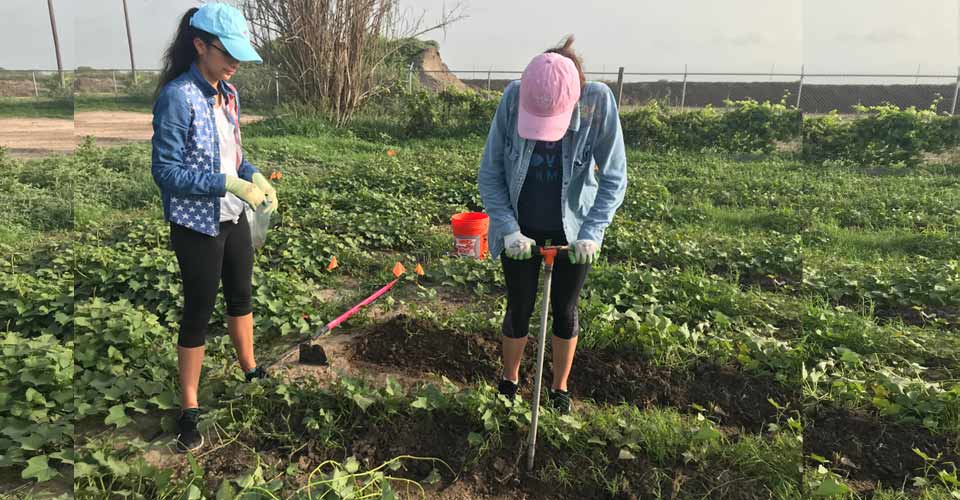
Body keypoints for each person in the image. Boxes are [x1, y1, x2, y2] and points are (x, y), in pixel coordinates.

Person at [151, 3, 278, 453]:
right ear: (200, 45)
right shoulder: (178, 97)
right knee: (199, 310)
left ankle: (250, 368)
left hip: (233, 215)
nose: (235, 63)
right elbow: (165, 171)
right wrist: (224, 183)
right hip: (196, 223)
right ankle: (189, 406)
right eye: (228, 53)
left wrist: (253, 174)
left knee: (241, 294)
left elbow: (234, 155)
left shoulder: (228, 93)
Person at [478, 36, 628, 414]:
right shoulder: (513, 98)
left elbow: (614, 177)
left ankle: (559, 388)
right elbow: (491, 173)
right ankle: (510, 380)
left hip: (573, 233)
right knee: (519, 305)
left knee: (565, 309)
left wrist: (592, 233)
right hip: (520, 231)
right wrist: (508, 229)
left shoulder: (597, 103)